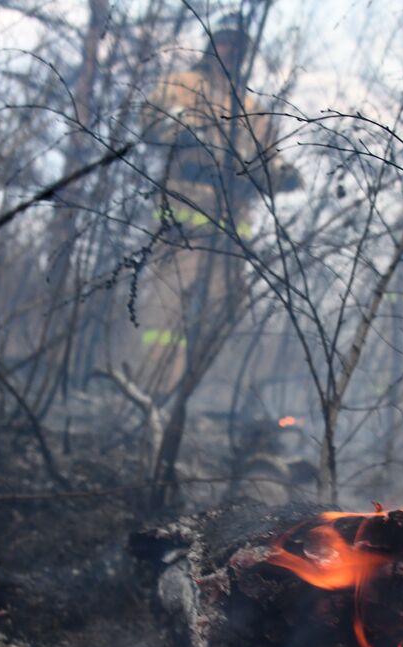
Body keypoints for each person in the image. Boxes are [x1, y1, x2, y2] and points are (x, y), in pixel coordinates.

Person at [128, 12, 299, 399]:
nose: (230, 50)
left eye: (238, 45)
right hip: (183, 222)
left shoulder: (253, 108)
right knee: (167, 313)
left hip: (230, 235)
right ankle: (154, 394)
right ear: (211, 44)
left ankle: (196, 397)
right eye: (224, 41)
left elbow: (267, 162)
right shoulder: (182, 85)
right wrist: (187, 133)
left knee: (221, 315)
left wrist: (282, 174)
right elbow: (151, 124)